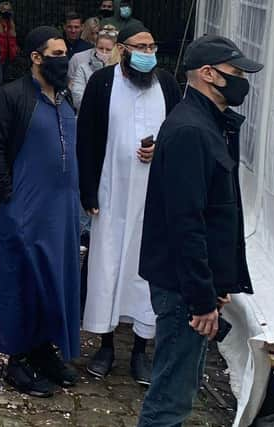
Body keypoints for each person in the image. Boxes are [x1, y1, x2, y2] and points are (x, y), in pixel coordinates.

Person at [137, 35, 262, 426]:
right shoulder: (192, 130)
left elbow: (216, 214)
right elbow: (186, 223)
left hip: (192, 286)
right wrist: (200, 298)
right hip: (182, 290)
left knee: (179, 388)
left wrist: (217, 283)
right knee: (171, 397)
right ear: (209, 74)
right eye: (237, 73)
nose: (243, 81)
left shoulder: (210, 124)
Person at [77, 24, 182, 385]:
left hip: (153, 199)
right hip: (110, 195)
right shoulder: (102, 83)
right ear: (122, 49)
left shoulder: (166, 84)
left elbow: (179, 132)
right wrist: (87, 191)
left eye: (152, 46)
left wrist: (161, 148)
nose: (148, 52)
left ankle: (141, 350)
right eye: (140, 46)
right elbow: (86, 137)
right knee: (106, 267)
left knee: (144, 271)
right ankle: (105, 345)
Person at [0, 26, 80, 398]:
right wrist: (9, 194)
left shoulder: (66, 97)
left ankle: (44, 349)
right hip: (24, 208)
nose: (63, 59)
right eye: (55, 53)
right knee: (21, 281)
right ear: (36, 58)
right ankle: (18, 359)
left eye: (65, 52)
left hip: (62, 211)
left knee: (55, 280)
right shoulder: (13, 96)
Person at [70, 30, 116, 110]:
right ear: (95, 47)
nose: (104, 52)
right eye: (101, 48)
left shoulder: (119, 70)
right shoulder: (83, 68)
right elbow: (77, 97)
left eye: (108, 49)